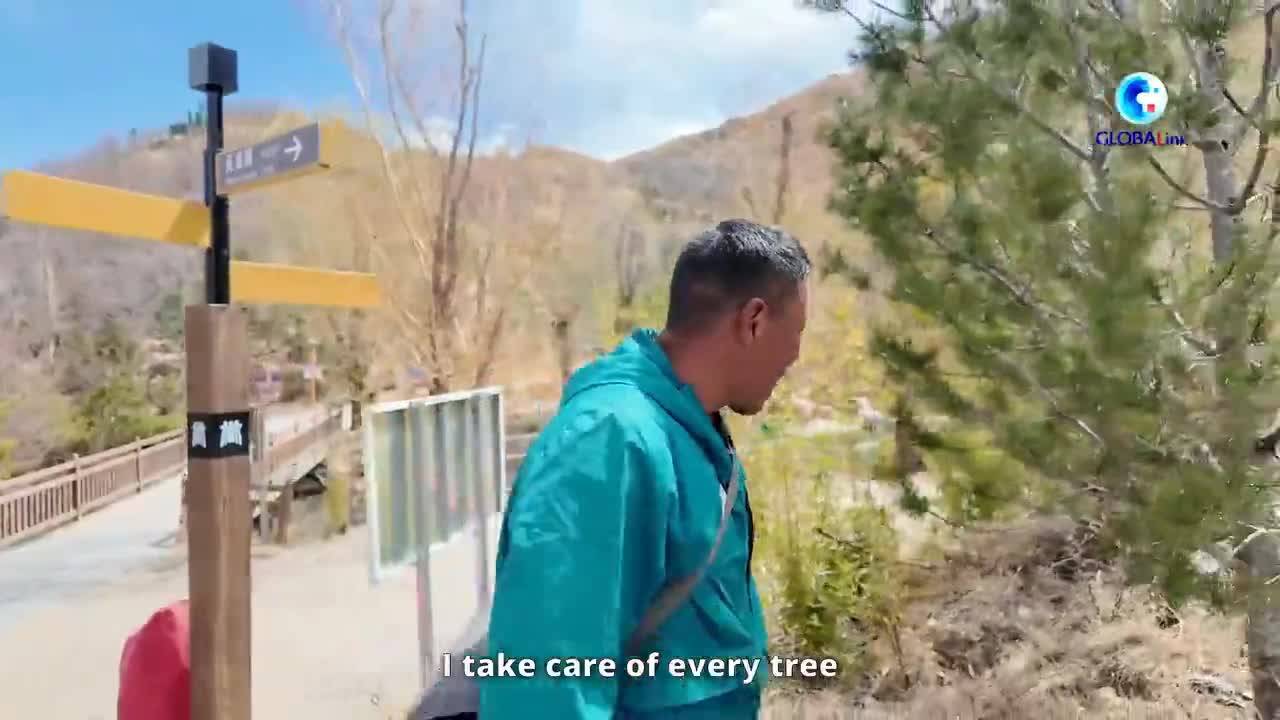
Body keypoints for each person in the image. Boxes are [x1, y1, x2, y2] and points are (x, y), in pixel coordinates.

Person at [481, 219, 810, 719]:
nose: (796, 355)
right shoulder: (608, 440)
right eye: (797, 333)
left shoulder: (693, 428)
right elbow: (546, 682)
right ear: (755, 322)